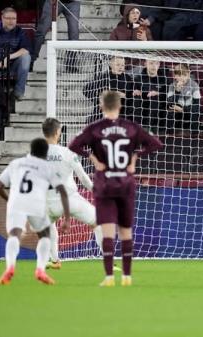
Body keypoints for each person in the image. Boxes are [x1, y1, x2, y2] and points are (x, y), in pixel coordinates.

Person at [68, 91, 163, 287]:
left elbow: (73, 145)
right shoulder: (130, 127)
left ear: (101, 106)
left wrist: (93, 158)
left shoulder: (95, 128)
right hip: (125, 182)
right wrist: (135, 157)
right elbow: (156, 144)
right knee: (126, 231)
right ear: (120, 106)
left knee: (108, 231)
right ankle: (127, 277)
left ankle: (109, 277)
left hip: (104, 184)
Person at [0, 138, 71, 285]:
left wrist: (9, 199)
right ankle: (40, 270)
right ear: (45, 153)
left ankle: (10, 267)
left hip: (16, 202)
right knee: (45, 236)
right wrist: (67, 218)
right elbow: (63, 191)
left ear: (30, 150)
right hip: (36, 203)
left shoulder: (15, 164)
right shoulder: (47, 167)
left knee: (14, 235)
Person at [42, 118, 105, 270]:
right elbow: (83, 177)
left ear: (44, 133)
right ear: (58, 132)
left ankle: (55, 260)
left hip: (47, 202)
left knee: (49, 226)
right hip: (69, 200)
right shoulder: (67, 152)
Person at [83, 56, 133, 123]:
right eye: (118, 65)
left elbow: (132, 95)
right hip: (103, 112)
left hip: (122, 111)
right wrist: (101, 99)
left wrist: (124, 96)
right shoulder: (103, 77)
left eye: (122, 65)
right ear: (111, 65)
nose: (120, 67)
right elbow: (86, 90)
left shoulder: (128, 79)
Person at [32, 0, 79, 66]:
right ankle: (31, 61)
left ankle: (71, 65)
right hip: (53, 1)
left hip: (73, 3)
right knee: (42, 30)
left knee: (74, 34)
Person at [0, 7, 31, 100]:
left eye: (14, 18)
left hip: (11, 66)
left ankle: (18, 92)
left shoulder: (20, 32)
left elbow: (26, 49)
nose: (11, 21)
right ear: (2, 18)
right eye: (8, 18)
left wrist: (7, 58)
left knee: (26, 57)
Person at [166, 63, 202, 135]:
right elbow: (170, 102)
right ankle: (170, 133)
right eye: (179, 75)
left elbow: (197, 102)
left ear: (188, 75)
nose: (182, 78)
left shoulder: (194, 85)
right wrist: (177, 91)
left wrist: (185, 109)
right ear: (175, 76)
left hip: (190, 106)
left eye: (184, 75)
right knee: (170, 108)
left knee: (195, 109)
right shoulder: (172, 85)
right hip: (177, 106)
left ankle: (194, 133)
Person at [131, 59, 168, 131]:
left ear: (159, 64)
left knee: (154, 96)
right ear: (145, 64)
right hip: (142, 106)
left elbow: (168, 95)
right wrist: (136, 92)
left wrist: (158, 93)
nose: (154, 66)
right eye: (151, 63)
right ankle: (137, 126)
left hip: (158, 108)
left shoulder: (164, 79)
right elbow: (133, 91)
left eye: (156, 63)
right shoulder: (138, 79)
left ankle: (152, 127)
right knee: (136, 97)